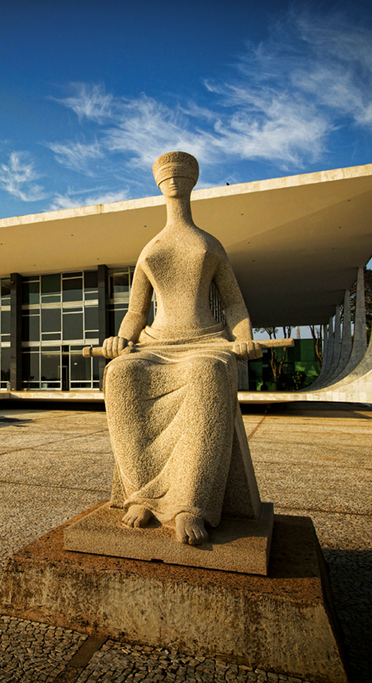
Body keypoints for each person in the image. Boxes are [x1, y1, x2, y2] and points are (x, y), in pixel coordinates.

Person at [101, 151, 262, 545]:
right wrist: (120, 339)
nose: (173, 179)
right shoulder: (150, 248)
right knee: (120, 374)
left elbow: (235, 303)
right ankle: (143, 495)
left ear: (193, 179)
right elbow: (135, 313)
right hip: (156, 343)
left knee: (206, 373)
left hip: (205, 341)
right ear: (158, 182)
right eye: (167, 174)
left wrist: (243, 338)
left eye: (180, 173)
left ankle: (192, 503)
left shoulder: (209, 244)